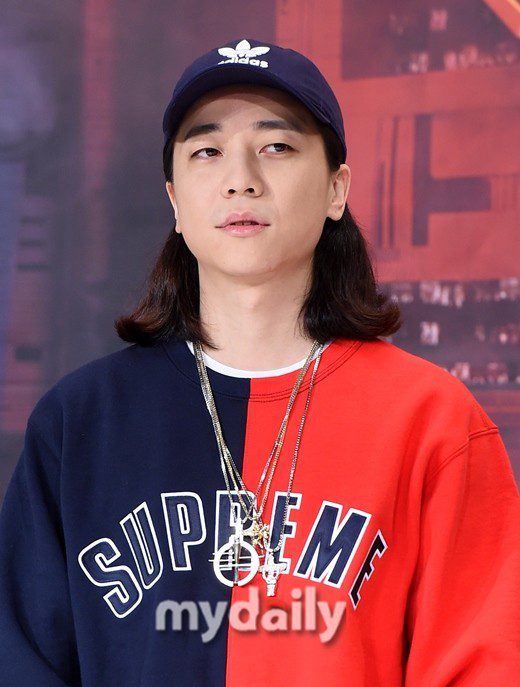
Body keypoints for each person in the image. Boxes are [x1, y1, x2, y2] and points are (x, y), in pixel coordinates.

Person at [0, 36, 519, 687]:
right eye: (207, 150)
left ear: (336, 189)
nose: (240, 178)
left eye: (276, 146)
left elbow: (483, 664)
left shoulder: (433, 422)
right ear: (174, 200)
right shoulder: (80, 422)